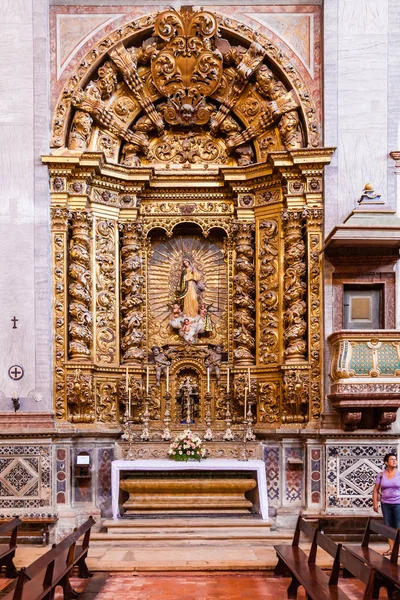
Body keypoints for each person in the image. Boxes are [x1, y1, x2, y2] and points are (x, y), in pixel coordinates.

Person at [373, 452, 400, 556]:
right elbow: (375, 490)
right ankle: (392, 549)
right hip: (385, 503)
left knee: (398, 526)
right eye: (392, 459)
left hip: (398, 503)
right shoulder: (380, 475)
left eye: (395, 459)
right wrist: (375, 503)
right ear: (386, 462)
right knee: (388, 526)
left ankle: (398, 549)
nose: (394, 461)